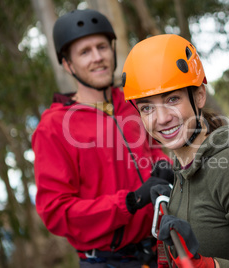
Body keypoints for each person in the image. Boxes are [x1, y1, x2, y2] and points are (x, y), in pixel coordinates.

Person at [121, 34, 229, 267]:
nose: (161, 119)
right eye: (147, 108)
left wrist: (208, 266)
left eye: (172, 99)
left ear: (199, 96)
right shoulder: (183, 168)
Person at [32, 9, 174, 268]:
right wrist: (130, 202)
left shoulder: (133, 102)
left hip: (161, 248)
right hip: (108, 261)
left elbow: (154, 151)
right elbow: (56, 213)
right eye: (85, 52)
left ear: (112, 49)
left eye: (102, 47)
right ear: (68, 64)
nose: (98, 58)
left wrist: (164, 164)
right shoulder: (52, 127)